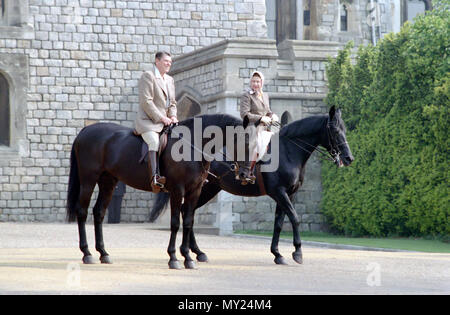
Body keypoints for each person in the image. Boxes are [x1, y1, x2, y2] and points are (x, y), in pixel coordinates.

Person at [135, 51, 178, 193]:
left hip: (166, 122)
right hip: (149, 121)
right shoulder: (148, 76)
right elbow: (146, 102)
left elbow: (172, 103)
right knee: (154, 141)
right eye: (166, 61)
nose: (168, 64)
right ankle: (155, 178)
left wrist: (173, 117)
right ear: (157, 61)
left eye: (170, 62)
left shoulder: (170, 80)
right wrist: (161, 118)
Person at [240, 71, 278, 176]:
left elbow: (268, 110)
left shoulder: (265, 95)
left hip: (265, 125)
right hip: (252, 125)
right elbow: (245, 114)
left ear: (261, 82)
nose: (255, 84)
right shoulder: (246, 96)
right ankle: (246, 170)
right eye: (253, 81)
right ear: (250, 83)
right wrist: (261, 118)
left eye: (258, 81)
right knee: (253, 143)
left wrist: (272, 115)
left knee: (280, 134)